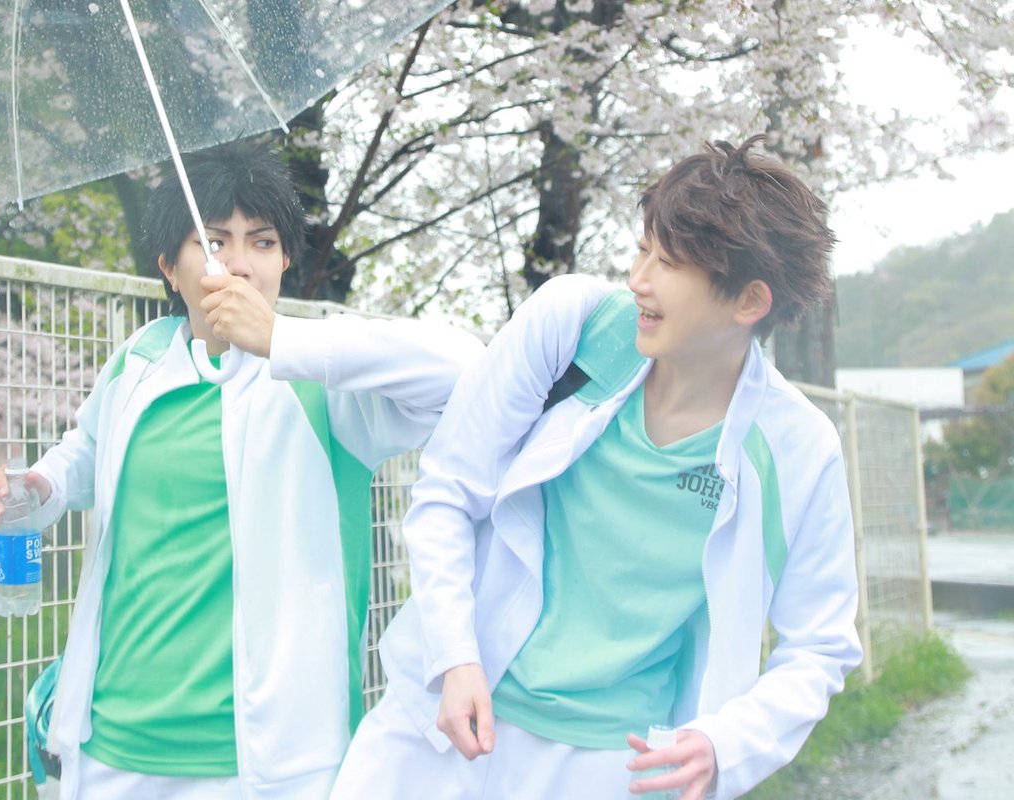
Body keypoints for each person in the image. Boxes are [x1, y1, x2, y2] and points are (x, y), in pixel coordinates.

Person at [330, 135, 863, 800]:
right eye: (643, 250)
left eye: (669, 264)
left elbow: (820, 645)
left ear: (749, 302)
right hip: (449, 715)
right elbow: (447, 491)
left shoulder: (797, 448)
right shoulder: (575, 326)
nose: (639, 280)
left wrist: (726, 743)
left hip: (612, 763)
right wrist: (455, 655)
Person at [0, 140, 483, 800]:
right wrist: (38, 486)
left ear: (285, 260)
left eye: (263, 242)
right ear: (169, 267)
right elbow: (87, 451)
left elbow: (468, 373)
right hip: (113, 745)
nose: (240, 264)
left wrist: (281, 340)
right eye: (214, 242)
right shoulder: (139, 360)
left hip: (269, 766)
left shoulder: (322, 387)